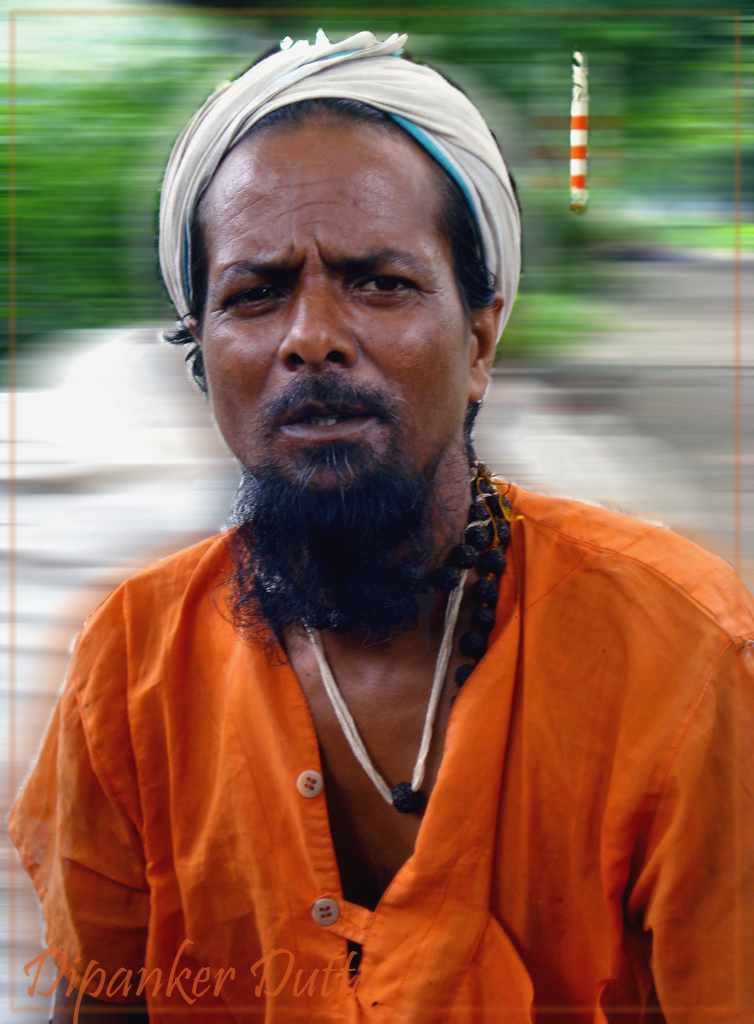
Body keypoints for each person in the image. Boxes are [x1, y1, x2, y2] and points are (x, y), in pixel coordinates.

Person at [9, 29, 754, 1024]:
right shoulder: (132, 664)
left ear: (480, 337)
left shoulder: (684, 656)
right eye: (253, 292)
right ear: (202, 353)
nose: (311, 338)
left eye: (379, 282)